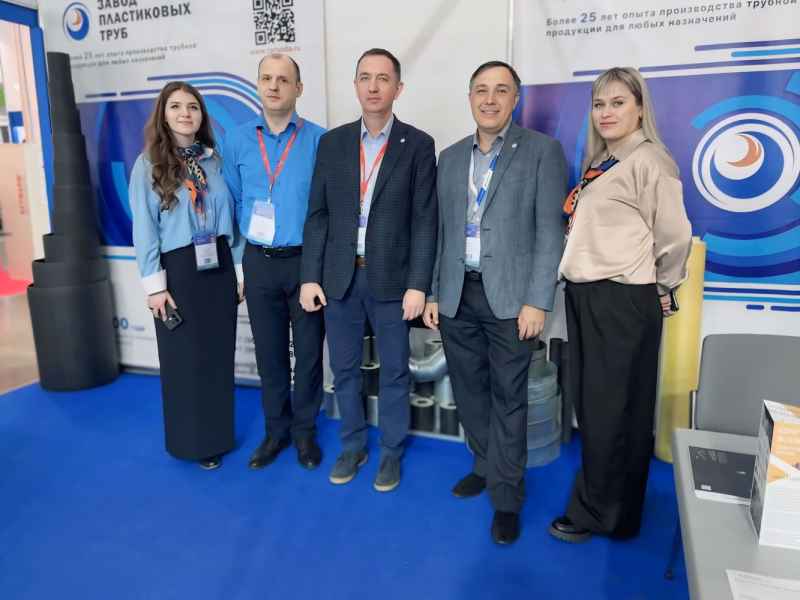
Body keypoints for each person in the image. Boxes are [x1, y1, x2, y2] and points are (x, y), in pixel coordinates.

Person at [423, 61, 567, 544]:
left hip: (511, 300)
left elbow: (549, 232)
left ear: (515, 99)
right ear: (470, 97)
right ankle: (485, 465)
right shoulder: (449, 157)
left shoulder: (542, 152)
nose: (490, 99)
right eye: (481, 90)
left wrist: (538, 300)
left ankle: (507, 498)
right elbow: (440, 231)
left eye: (501, 90)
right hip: (456, 293)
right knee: (469, 391)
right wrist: (433, 292)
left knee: (509, 398)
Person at [549, 67, 692, 543]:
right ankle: (616, 512)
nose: (606, 113)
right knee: (601, 411)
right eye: (599, 104)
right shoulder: (605, 160)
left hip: (620, 299)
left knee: (613, 413)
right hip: (589, 297)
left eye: (617, 102)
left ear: (640, 108)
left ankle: (598, 513)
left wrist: (662, 286)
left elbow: (674, 237)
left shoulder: (650, 161)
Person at [300, 48, 437, 492]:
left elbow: (425, 220)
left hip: (393, 282)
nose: (373, 86)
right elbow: (318, 215)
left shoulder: (418, 145)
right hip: (339, 278)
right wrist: (310, 275)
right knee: (344, 370)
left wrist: (419, 285)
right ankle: (353, 445)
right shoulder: (333, 143)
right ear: (355, 85)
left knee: (395, 372)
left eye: (383, 78)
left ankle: (391, 452)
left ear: (398, 88)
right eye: (365, 77)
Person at [130, 81, 243, 470]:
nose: (185, 113)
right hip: (178, 272)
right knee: (185, 363)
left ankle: (217, 437)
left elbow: (233, 220)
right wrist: (154, 287)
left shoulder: (215, 161)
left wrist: (239, 269)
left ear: (201, 116)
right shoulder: (148, 165)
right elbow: (145, 229)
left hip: (219, 266)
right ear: (163, 114)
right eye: (176, 106)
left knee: (217, 358)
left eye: (192, 107)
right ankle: (191, 442)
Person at [222, 54, 326, 471]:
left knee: (309, 356)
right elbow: (231, 203)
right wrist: (239, 266)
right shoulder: (236, 140)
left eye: (284, 79)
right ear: (258, 85)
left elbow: (326, 210)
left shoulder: (320, 140)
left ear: (298, 88)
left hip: (305, 264)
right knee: (269, 355)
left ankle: (305, 433)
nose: (274, 86)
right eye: (267, 78)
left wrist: (316, 270)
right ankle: (275, 432)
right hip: (258, 262)